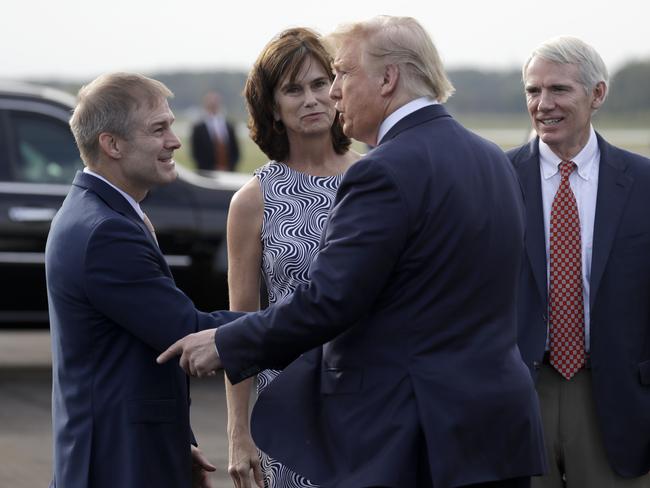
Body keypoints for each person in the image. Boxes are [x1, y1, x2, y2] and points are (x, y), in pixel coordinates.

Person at [159, 16, 546, 488]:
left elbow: (330, 300)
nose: (334, 92)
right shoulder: (493, 159)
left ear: (387, 79)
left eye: (341, 74)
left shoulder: (382, 171)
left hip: (411, 435)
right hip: (494, 431)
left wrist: (224, 342)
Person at [46, 72, 240, 488]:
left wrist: (173, 441)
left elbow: (135, 347)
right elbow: (186, 333)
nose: (175, 141)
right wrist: (297, 317)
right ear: (112, 145)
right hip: (118, 466)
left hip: (129, 452)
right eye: (159, 129)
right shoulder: (105, 232)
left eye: (171, 125)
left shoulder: (98, 212)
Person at [508, 36, 650, 488]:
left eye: (559, 90)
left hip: (617, 396)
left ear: (598, 94)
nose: (543, 104)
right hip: (521, 394)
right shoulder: (496, 180)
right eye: (533, 91)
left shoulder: (645, 183)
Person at [225, 28, 358, 488]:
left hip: (372, 396)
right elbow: (239, 322)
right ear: (273, 107)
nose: (311, 99)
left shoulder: (376, 178)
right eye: (293, 89)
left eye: (321, 83)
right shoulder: (252, 200)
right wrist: (238, 432)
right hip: (289, 406)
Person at [191, 91, 240, 172]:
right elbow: (196, 153)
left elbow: (235, 150)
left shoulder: (229, 125)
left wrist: (230, 167)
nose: (213, 104)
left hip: (229, 171)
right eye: (210, 102)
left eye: (215, 102)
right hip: (207, 172)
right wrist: (210, 169)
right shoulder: (198, 128)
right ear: (205, 104)